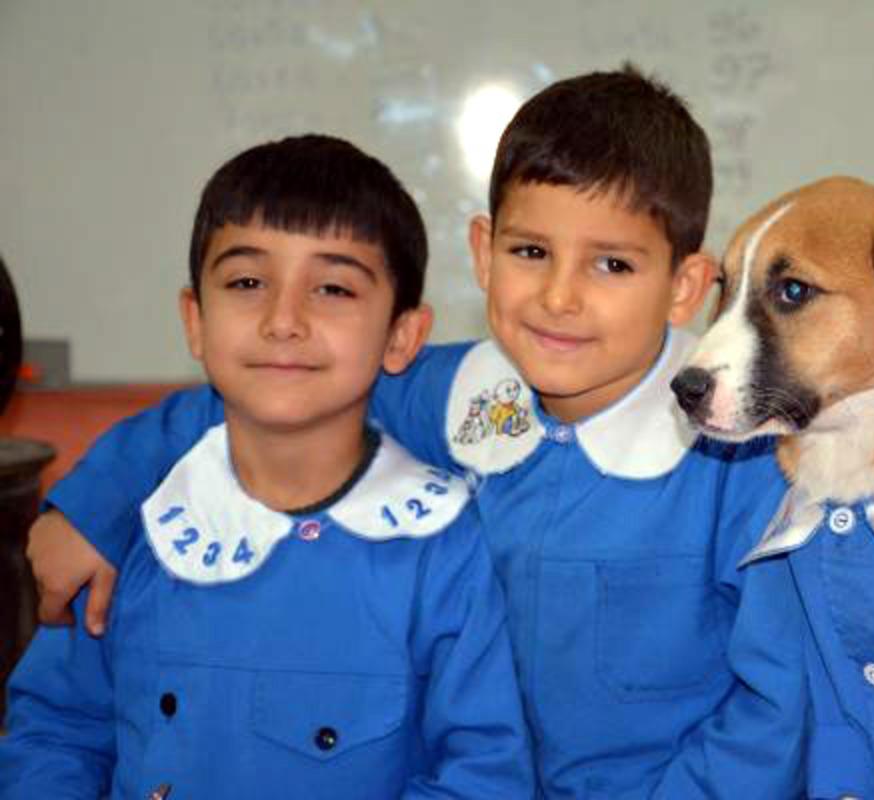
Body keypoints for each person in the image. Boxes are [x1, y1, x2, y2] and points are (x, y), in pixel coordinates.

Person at [21, 67, 802, 797]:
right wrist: (96, 505)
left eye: (612, 267)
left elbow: (774, 706)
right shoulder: (448, 392)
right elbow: (258, 399)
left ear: (686, 287)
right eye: (530, 251)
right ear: (482, 254)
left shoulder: (740, 457)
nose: (559, 298)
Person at [1, 135, 534, 798]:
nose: (284, 320)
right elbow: (54, 735)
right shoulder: (130, 529)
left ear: (402, 336)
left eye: (334, 287)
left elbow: (481, 776)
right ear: (195, 320)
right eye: (248, 282)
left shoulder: (445, 551)